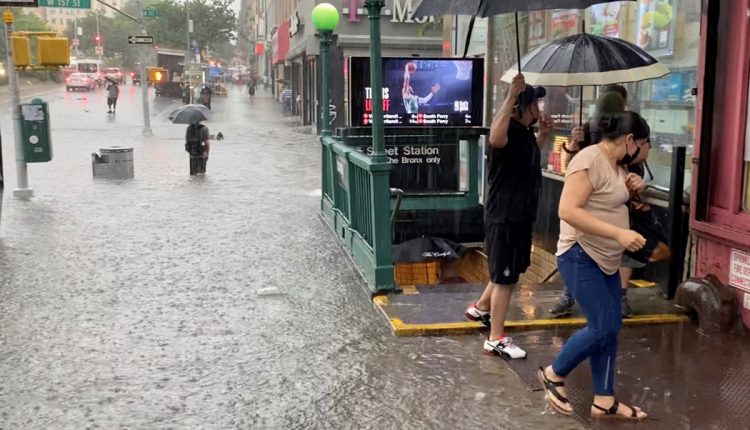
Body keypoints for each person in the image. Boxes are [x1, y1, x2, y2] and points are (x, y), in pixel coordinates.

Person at [538, 111, 648, 421]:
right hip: (580, 254)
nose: (645, 150)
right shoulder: (589, 159)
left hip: (606, 260)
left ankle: (604, 399)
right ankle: (554, 373)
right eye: (644, 143)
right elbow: (567, 210)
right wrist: (618, 233)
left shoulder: (617, 165)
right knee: (604, 326)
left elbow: (606, 201)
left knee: (610, 329)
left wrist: (634, 186)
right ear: (629, 140)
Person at [463, 74, 553, 358]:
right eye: (535, 103)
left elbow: (525, 160)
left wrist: (543, 137)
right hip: (506, 215)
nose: (539, 107)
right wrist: (511, 95)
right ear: (523, 106)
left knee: (507, 269)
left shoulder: (525, 133)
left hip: (519, 215)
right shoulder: (509, 128)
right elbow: (495, 138)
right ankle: (495, 338)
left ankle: (480, 308)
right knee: (505, 277)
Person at [549, 86, 638, 318]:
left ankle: (621, 296)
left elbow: (635, 163)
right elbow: (569, 167)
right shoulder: (591, 134)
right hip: (586, 235)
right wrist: (574, 143)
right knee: (603, 326)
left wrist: (633, 182)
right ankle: (569, 293)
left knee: (606, 325)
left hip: (613, 220)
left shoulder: (629, 132)